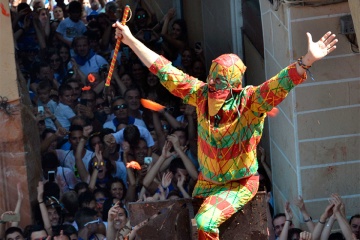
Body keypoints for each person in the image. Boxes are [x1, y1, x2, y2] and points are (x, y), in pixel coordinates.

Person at [113, 21, 338, 239]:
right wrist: (131, 40)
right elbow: (164, 70)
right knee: (188, 224)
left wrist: (307, 60)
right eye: (213, 91)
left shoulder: (251, 101)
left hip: (239, 183)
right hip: (207, 182)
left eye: (222, 95)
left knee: (205, 222)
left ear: (235, 89)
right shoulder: (200, 94)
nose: (215, 99)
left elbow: (280, 83)